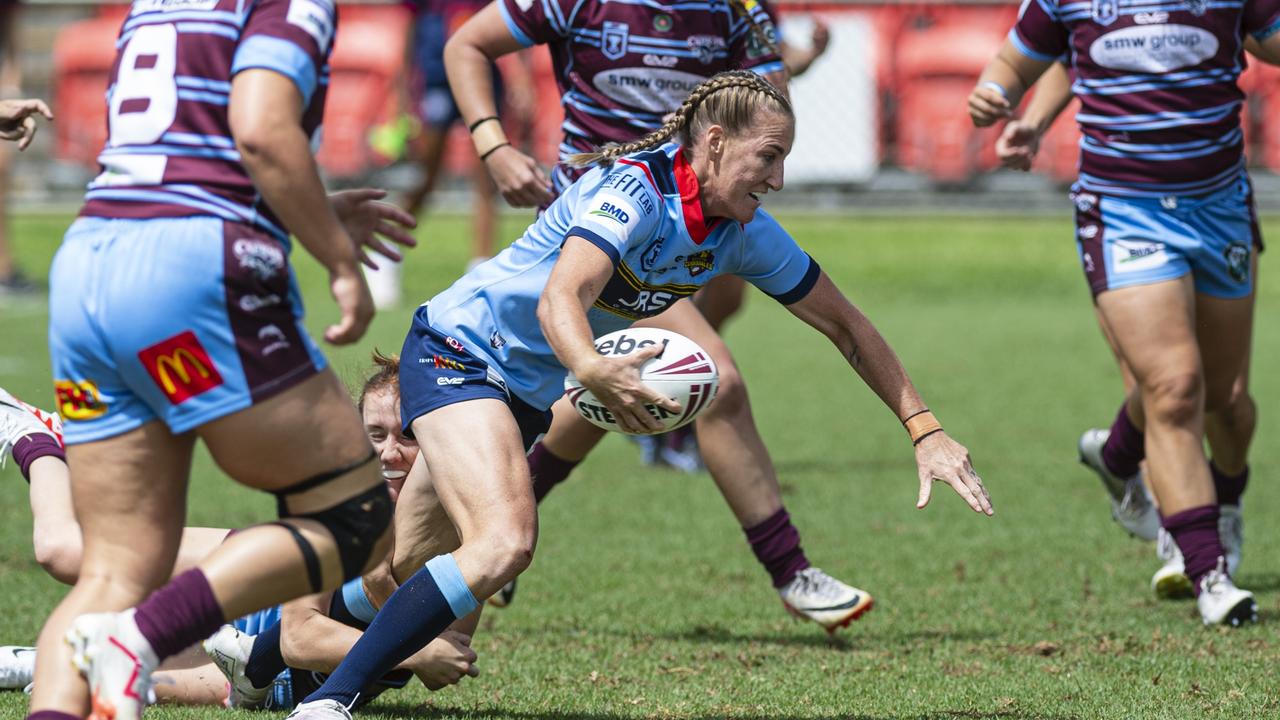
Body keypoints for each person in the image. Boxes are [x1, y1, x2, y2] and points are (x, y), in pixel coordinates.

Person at [284, 70, 992, 720]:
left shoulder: (740, 234)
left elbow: (846, 325)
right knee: (503, 544)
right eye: (768, 156)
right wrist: (590, 368)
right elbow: (564, 296)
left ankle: (259, 658)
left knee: (406, 567)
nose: (778, 177)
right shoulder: (634, 193)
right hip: (459, 349)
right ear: (714, 143)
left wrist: (922, 427)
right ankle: (330, 703)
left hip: (520, 389)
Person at [26, 3, 418, 719]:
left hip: (89, 267)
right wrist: (336, 255)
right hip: (188, 276)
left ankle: (106, 649)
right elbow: (263, 130)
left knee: (110, 573)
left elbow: (184, 149)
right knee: (357, 517)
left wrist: (311, 211)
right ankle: (140, 638)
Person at [440, 0, 868, 631]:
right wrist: (492, 142)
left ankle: (489, 534)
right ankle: (792, 572)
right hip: (601, 239)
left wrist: (786, 66)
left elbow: (767, 99)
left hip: (699, 220)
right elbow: (465, 45)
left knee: (624, 387)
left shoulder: (735, 9)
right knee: (715, 381)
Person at [967, 0, 1280, 626]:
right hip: (1123, 212)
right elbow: (1026, 57)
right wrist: (997, 92)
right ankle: (1208, 572)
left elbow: (1271, 43)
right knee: (1174, 385)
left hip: (1219, 205)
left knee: (1224, 398)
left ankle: (1120, 459)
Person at [0, 367, 478, 709]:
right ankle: (40, 441)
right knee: (63, 551)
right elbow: (300, 636)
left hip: (281, 686)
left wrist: (423, 652)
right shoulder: (339, 500)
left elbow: (449, 656)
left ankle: (23, 663)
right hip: (253, 583)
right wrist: (417, 652)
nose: (390, 453)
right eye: (374, 434)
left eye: (408, 435)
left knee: (111, 673)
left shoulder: (469, 534)